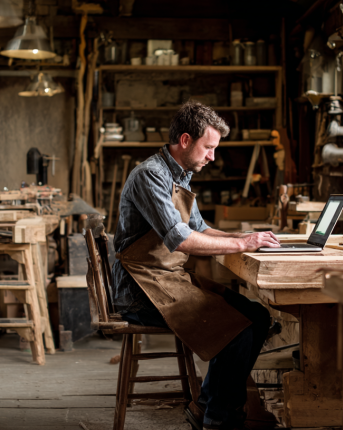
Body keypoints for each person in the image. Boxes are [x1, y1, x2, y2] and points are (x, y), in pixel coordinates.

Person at [113, 100, 281, 429]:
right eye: (209, 147)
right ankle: (221, 420)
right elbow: (180, 238)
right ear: (186, 140)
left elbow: (200, 230)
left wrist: (246, 236)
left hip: (167, 279)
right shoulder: (151, 175)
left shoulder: (181, 175)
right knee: (236, 330)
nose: (212, 157)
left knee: (257, 317)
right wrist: (240, 244)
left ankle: (208, 406)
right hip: (139, 289)